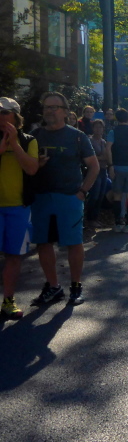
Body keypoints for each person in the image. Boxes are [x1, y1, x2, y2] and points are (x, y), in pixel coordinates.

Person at [30, 92, 99, 306]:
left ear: (65, 111)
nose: (49, 111)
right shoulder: (34, 136)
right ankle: (53, 287)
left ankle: (76, 287)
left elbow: (94, 166)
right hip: (41, 197)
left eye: (54, 107)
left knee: (73, 243)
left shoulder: (77, 136)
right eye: (46, 107)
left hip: (69, 197)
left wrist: (82, 192)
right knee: (43, 243)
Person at [0, 97, 39, 319]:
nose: (1, 117)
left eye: (5, 113)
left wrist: (14, 143)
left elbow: (32, 169)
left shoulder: (28, 140)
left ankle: (8, 301)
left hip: (19, 208)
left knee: (14, 256)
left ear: (16, 116)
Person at [86, 119, 109, 227]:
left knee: (101, 195)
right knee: (94, 195)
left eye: (100, 127)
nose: (98, 129)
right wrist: (101, 158)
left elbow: (107, 157)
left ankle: (95, 218)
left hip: (104, 170)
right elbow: (91, 156)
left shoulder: (104, 142)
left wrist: (101, 157)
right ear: (93, 128)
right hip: (94, 171)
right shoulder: (90, 140)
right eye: (96, 127)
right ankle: (90, 218)